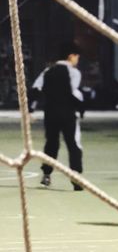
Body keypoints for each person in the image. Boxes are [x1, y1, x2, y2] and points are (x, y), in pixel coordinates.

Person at [32, 41, 84, 190]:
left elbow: (35, 89)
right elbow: (72, 92)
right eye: (77, 57)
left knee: (51, 144)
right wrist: (81, 107)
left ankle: (46, 175)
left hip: (50, 113)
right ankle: (76, 177)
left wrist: (31, 109)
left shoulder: (47, 71)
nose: (77, 60)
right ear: (71, 56)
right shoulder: (74, 73)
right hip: (67, 113)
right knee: (73, 144)